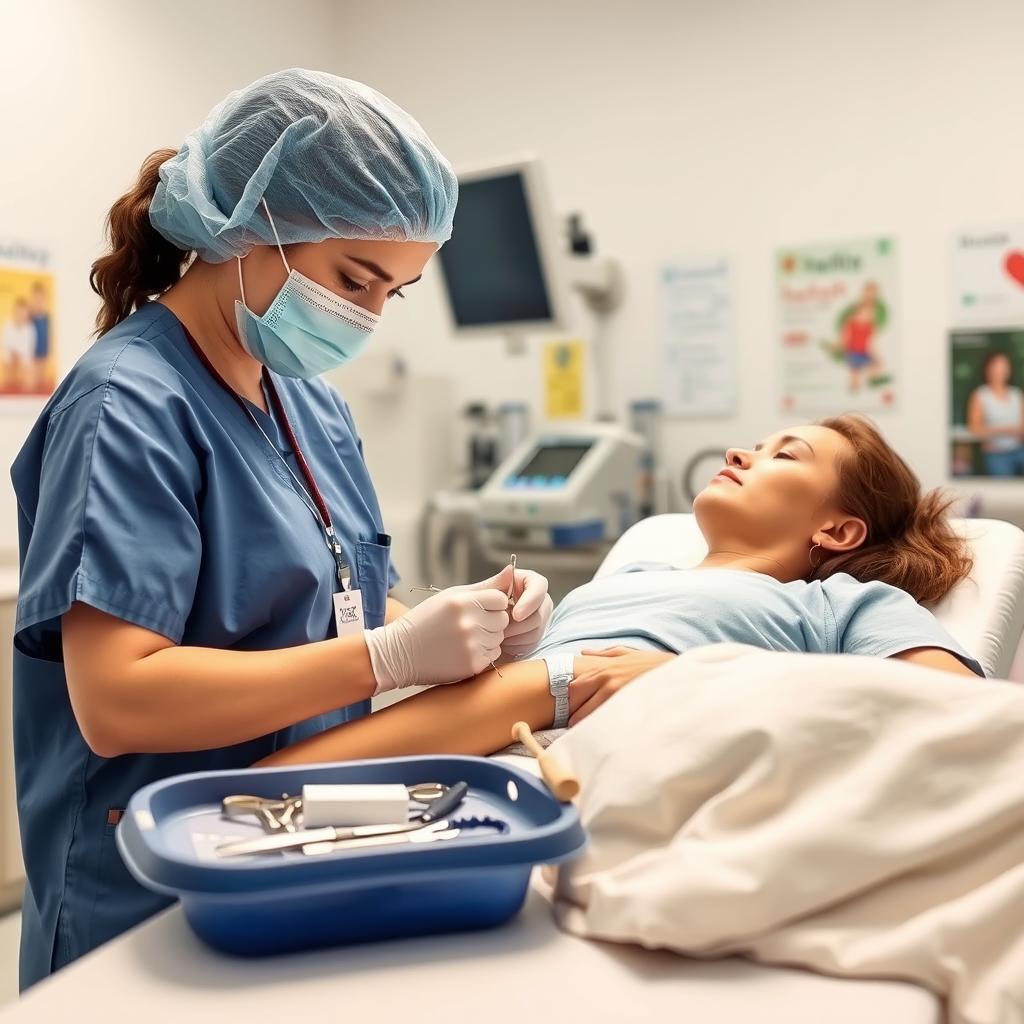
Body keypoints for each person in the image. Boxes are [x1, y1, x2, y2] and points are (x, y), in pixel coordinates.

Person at [10, 69, 554, 989]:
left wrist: (467, 624)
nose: (370, 316)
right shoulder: (127, 405)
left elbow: (337, 592)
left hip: (292, 839)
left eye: (398, 292)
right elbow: (117, 702)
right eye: (354, 278)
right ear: (250, 228)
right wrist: (390, 659)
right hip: (149, 883)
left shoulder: (313, 406)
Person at [255, 414, 982, 771]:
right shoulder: (635, 576)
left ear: (840, 531)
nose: (739, 453)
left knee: (237, 799)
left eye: (783, 454)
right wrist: (486, 641)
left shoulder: (838, 605)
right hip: (493, 753)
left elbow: (956, 715)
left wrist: (690, 678)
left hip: (629, 757)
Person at [966, 350, 1024, 477]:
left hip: (1020, 449)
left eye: (1004, 366)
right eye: (996, 367)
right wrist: (1005, 430)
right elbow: (974, 428)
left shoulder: (1016, 394)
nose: (1000, 371)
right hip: (995, 454)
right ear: (987, 370)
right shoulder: (980, 395)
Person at [2, 297, 34, 391]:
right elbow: (6, 346)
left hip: (24, 358)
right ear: (15, 311)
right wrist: (14, 353)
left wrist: (20, 356)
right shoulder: (8, 325)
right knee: (8, 360)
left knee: (28, 380)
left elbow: (29, 350)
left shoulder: (30, 328)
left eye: (24, 313)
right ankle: (9, 385)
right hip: (10, 356)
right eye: (20, 312)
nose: (22, 315)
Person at [27, 280, 51, 393]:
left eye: (40, 299)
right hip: (32, 348)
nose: (38, 302)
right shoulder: (30, 316)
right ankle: (32, 388)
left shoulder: (46, 316)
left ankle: (39, 389)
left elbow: (47, 334)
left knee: (41, 370)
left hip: (43, 347)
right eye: (36, 299)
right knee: (33, 371)